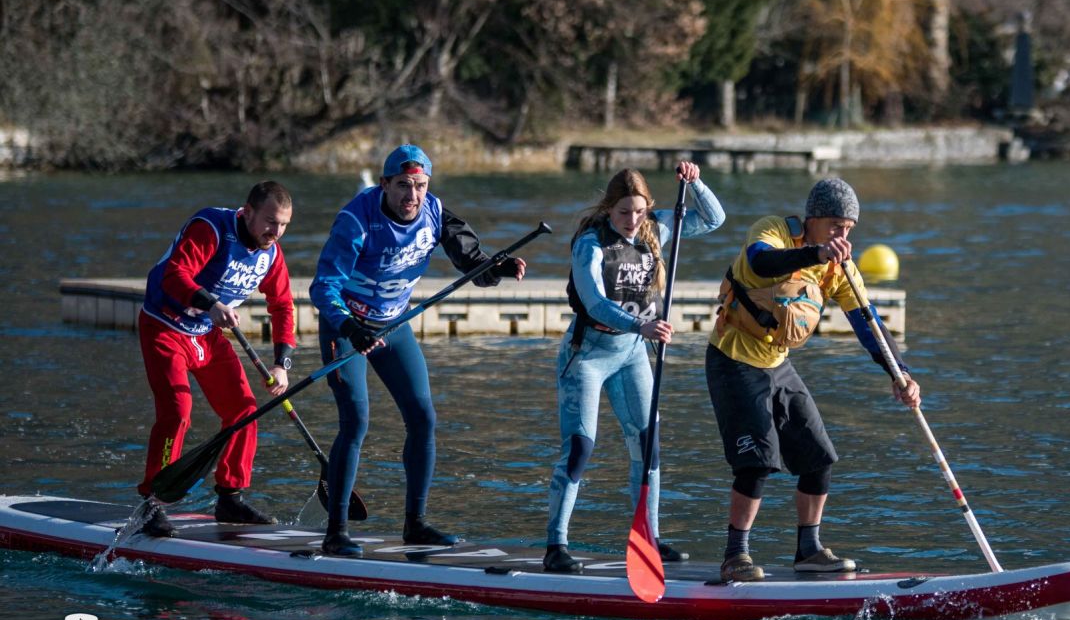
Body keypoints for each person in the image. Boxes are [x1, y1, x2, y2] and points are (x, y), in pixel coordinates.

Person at [310, 144, 526, 557]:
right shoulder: (356, 220)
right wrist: (351, 328)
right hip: (347, 328)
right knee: (356, 420)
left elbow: (472, 260)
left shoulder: (435, 212)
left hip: (394, 326)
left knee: (423, 417)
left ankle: (416, 525)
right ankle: (336, 531)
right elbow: (323, 287)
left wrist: (496, 268)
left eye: (421, 186)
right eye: (404, 187)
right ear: (385, 185)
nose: (413, 196)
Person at [705, 176, 921, 582]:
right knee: (757, 462)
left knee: (819, 456)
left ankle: (809, 550)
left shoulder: (838, 267)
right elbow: (759, 263)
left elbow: (866, 322)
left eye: (849, 230)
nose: (842, 236)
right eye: (836, 226)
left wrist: (900, 373)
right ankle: (736, 555)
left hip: (778, 364)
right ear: (814, 220)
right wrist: (816, 253)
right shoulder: (773, 232)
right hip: (732, 359)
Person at [544, 163, 725, 574]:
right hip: (587, 354)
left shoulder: (655, 230)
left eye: (640, 211)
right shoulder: (590, 244)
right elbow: (592, 301)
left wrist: (694, 183)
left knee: (648, 447)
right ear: (609, 209)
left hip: (632, 354)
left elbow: (714, 219)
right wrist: (639, 324)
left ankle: (649, 539)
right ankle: (556, 546)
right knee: (580, 448)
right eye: (624, 212)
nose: (632, 220)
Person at [137, 181, 297, 537]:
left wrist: (281, 363)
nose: (276, 231)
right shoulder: (211, 227)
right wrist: (211, 303)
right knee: (177, 411)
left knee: (244, 410)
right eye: (270, 221)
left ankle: (230, 497)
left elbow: (283, 306)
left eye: (284, 224)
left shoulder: (272, 254)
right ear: (248, 212)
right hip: (164, 326)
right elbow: (173, 274)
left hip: (206, 335)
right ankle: (153, 502)